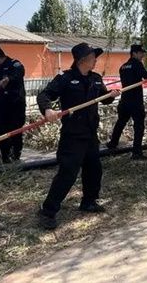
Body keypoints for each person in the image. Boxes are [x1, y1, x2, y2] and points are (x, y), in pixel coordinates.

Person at [37, 42, 121, 230]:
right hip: (73, 135)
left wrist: (111, 95)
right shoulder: (65, 79)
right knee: (68, 173)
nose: (95, 60)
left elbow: (104, 98)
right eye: (93, 57)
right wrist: (48, 110)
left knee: (94, 169)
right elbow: (44, 95)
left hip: (90, 133)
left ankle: (88, 201)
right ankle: (48, 211)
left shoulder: (96, 79)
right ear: (83, 60)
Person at [107, 44, 147, 160]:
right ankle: (136, 153)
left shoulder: (123, 67)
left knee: (121, 122)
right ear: (134, 53)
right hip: (135, 101)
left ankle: (112, 144)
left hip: (125, 99)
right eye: (141, 53)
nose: (142, 55)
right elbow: (145, 75)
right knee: (139, 126)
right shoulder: (137, 64)